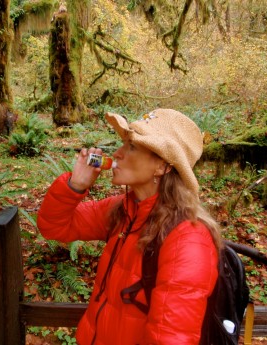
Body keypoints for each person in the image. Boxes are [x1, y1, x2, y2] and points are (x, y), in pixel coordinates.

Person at [37, 109, 223, 345]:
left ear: (162, 166)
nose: (117, 153)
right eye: (123, 143)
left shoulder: (187, 238)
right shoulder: (124, 210)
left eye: (132, 147)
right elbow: (54, 227)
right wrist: (75, 186)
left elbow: (170, 338)